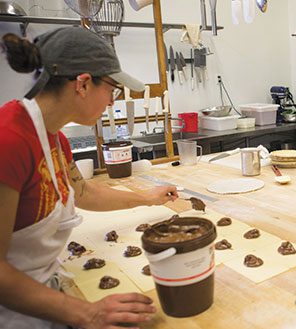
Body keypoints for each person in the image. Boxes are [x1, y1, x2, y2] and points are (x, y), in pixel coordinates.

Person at [0, 27, 179, 328]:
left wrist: (147, 198)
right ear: (82, 84)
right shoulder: (9, 140)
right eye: (112, 90)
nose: (112, 102)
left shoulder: (55, 139)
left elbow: (82, 193)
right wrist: (88, 313)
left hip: (46, 298)